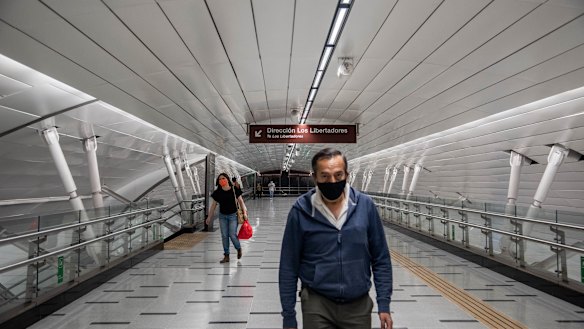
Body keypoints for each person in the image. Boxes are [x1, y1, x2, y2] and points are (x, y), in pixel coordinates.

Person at [279, 148, 393, 329]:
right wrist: (288, 315)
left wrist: (384, 303)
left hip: (358, 304)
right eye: (324, 176)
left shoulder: (365, 206)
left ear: (347, 174)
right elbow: (288, 265)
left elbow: (380, 258)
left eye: (338, 175)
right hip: (317, 302)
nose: (332, 181)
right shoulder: (301, 211)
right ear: (314, 176)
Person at [206, 173, 247, 263]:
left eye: (223, 178)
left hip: (233, 216)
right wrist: (209, 217)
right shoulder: (218, 192)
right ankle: (226, 255)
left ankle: (238, 248)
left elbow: (241, 201)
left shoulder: (234, 189)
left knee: (232, 234)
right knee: (224, 236)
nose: (221, 180)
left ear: (227, 179)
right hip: (222, 216)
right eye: (219, 179)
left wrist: (244, 213)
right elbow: (213, 206)